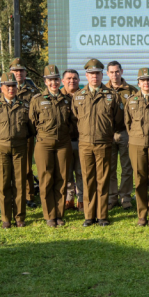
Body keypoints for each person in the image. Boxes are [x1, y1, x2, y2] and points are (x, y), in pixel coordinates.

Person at [71, 58, 124, 227]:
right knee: (87, 179)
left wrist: (106, 133)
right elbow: (74, 120)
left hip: (104, 142)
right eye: (91, 74)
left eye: (97, 74)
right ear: (86, 76)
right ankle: (89, 215)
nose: (94, 77)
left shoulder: (112, 96)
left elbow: (118, 120)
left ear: (102, 75)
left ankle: (102, 215)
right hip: (85, 144)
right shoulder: (78, 96)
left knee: (103, 179)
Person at [0, 72, 35, 228]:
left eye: (14, 86)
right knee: (4, 182)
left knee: (19, 183)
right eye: (8, 86)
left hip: (20, 147)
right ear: (2, 87)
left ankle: (19, 217)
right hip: (1, 147)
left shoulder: (25, 106)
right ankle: (5, 218)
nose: (11, 89)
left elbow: (31, 128)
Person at [30, 65, 74, 228]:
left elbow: (72, 122)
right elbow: (32, 122)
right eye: (50, 80)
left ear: (60, 81)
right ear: (45, 81)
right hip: (44, 144)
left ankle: (59, 214)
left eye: (56, 79)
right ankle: (49, 215)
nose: (53, 83)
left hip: (63, 143)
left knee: (61, 178)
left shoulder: (67, 100)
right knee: (46, 178)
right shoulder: (37, 100)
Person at [124, 67, 149, 227]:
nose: (146, 83)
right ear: (138, 83)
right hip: (137, 144)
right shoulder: (131, 100)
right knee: (139, 179)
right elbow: (128, 123)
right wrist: (136, 137)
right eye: (143, 80)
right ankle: (142, 214)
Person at [105, 61, 138, 210]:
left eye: (117, 71)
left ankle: (125, 196)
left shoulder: (131, 90)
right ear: (107, 73)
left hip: (125, 133)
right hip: (108, 134)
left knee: (127, 167)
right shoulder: (103, 90)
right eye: (111, 72)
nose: (114, 75)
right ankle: (112, 197)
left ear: (122, 72)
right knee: (110, 167)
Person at [9, 58, 40, 208]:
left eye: (21, 71)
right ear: (10, 72)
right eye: (15, 71)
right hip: (9, 133)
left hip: (26, 133)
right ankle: (13, 194)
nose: (18, 73)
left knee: (26, 166)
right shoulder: (5, 89)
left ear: (25, 72)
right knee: (9, 167)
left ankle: (29, 196)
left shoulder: (33, 91)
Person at [61, 69, 84, 211]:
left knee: (81, 172)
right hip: (64, 141)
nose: (72, 81)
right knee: (67, 172)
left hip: (82, 140)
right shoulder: (57, 96)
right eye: (68, 78)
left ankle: (81, 199)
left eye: (75, 78)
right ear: (63, 81)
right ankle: (68, 198)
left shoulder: (84, 95)